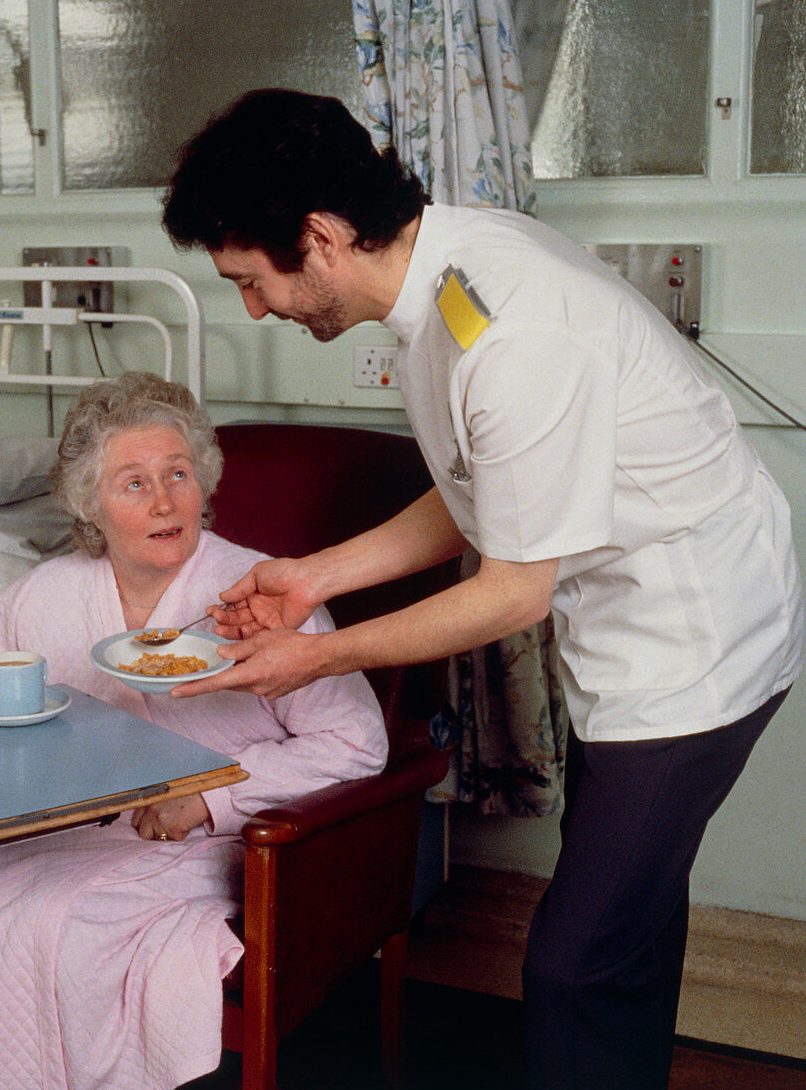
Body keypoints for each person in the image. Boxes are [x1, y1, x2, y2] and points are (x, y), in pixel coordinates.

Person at [160, 88, 805, 1089]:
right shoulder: (450, 279)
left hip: (698, 636)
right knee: (626, 925)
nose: (253, 308)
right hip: (629, 620)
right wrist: (313, 577)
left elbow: (510, 592)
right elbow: (483, 486)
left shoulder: (509, 333)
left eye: (251, 280)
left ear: (321, 238)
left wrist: (317, 653)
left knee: (572, 960)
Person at [0, 371, 386, 1090]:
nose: (163, 501)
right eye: (133, 483)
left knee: (69, 929)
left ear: (203, 485)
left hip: (225, 842)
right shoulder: (55, 588)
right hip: (79, 829)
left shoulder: (262, 593)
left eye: (177, 475)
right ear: (89, 504)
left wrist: (208, 801)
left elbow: (357, 743)